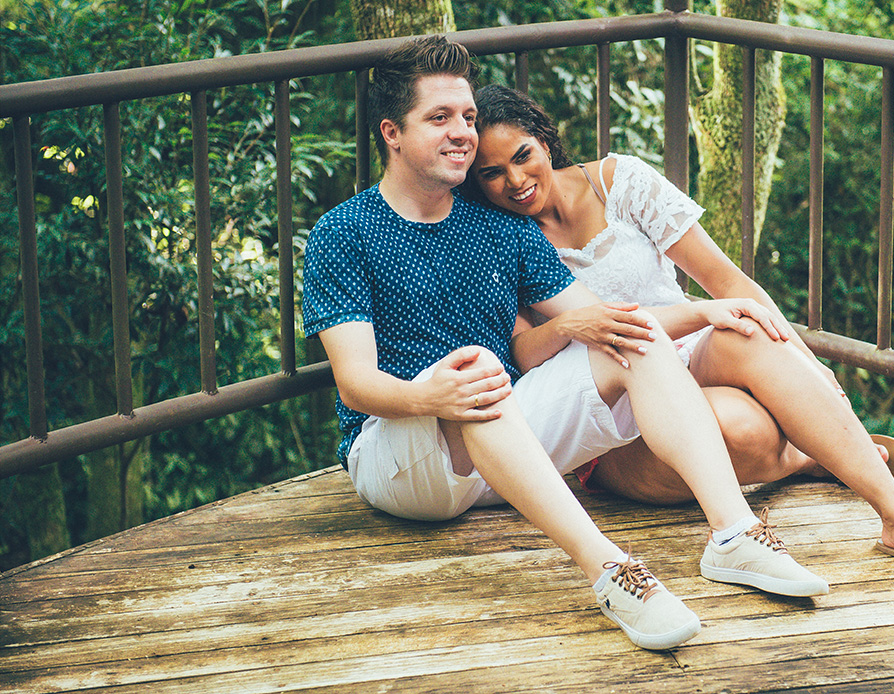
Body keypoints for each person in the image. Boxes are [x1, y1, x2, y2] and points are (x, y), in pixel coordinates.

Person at [301, 36, 835, 653]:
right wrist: (431, 396)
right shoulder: (344, 233)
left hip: (506, 444)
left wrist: (702, 311)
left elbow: (600, 322)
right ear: (393, 133)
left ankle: (734, 534)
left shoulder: (500, 228)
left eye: (468, 117)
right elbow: (356, 384)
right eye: (439, 118)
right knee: (479, 373)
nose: (462, 133)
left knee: (627, 332)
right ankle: (612, 572)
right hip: (400, 452)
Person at [465, 83, 894, 592]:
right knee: (744, 429)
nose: (515, 180)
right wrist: (570, 325)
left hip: (691, 353)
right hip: (612, 415)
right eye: (491, 173)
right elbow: (523, 353)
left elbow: (729, 283)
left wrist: (810, 364)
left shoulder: (619, 181)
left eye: (522, 156)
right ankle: (808, 457)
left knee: (748, 328)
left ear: (543, 138)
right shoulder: (490, 236)